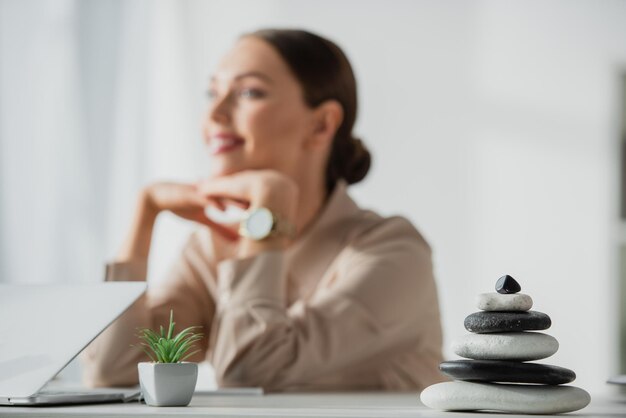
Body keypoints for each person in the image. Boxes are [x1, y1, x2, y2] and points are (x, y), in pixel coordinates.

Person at [81, 28, 444, 392]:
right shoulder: (212, 249)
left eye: (248, 92)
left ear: (321, 124)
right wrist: (145, 212)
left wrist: (269, 203)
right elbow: (115, 373)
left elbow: (248, 374)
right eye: (212, 92)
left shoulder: (394, 251)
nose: (214, 113)